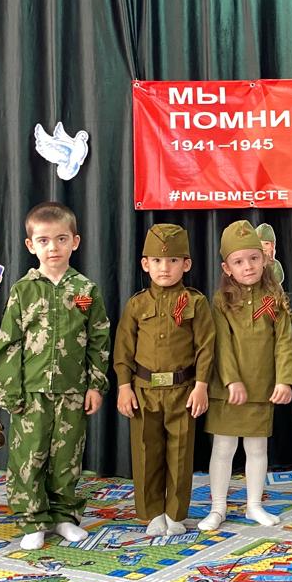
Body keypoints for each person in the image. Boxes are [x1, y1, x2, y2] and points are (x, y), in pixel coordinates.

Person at [0, 202, 111, 550]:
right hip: (32, 392)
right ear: (31, 245)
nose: (53, 248)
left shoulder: (85, 290)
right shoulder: (23, 290)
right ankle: (33, 520)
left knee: (67, 458)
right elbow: (9, 343)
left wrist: (95, 385)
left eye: (61, 239)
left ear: (75, 241)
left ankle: (63, 516)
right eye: (43, 241)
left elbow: (99, 339)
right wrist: (10, 391)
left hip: (73, 391)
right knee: (29, 458)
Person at [114, 223, 214, 536]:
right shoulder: (137, 304)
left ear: (187, 264)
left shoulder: (196, 303)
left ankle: (175, 513)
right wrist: (124, 386)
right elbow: (123, 348)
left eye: (173, 260)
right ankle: (152, 512)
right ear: (145, 264)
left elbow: (206, 347)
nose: (164, 268)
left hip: (182, 390)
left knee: (180, 454)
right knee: (146, 452)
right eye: (156, 260)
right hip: (144, 391)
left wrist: (201, 386)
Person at [200, 220, 292, 531]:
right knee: (223, 448)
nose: (248, 266)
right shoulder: (221, 300)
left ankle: (254, 505)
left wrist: (284, 380)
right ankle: (218, 508)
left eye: (254, 258)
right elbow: (221, 343)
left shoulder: (274, 296)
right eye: (239, 262)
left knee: (257, 449)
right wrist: (231, 380)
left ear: (264, 259)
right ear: (227, 268)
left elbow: (284, 341)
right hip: (228, 391)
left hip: (262, 387)